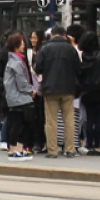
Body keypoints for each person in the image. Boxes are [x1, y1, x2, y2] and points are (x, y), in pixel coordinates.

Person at [34, 26, 81, 159]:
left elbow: (38, 68)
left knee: (51, 120)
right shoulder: (71, 49)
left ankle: (52, 150)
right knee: (69, 119)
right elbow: (78, 69)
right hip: (68, 89)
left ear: (52, 35)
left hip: (50, 89)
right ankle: (70, 149)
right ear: (64, 36)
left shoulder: (45, 49)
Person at [77, 33, 100, 156]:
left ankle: (89, 144)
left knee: (89, 117)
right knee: (98, 119)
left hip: (87, 91)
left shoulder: (83, 57)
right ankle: (97, 146)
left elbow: (79, 75)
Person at [1, 33, 35, 161]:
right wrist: (32, 90)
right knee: (18, 124)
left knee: (23, 124)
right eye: (22, 42)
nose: (24, 45)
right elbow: (21, 83)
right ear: (16, 45)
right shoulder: (16, 62)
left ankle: (19, 149)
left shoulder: (17, 60)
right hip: (19, 98)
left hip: (17, 97)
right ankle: (13, 150)